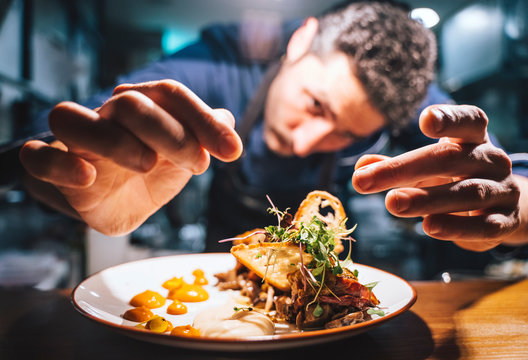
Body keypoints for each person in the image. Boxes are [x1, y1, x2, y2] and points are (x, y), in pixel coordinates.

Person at [4, 1, 528, 254]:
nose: (308, 144)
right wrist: (78, 177)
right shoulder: (222, 65)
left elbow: (503, 179)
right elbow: (35, 145)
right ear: (300, 42)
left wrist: (510, 207)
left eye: (347, 135)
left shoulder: (408, 102)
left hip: (330, 279)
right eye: (317, 105)